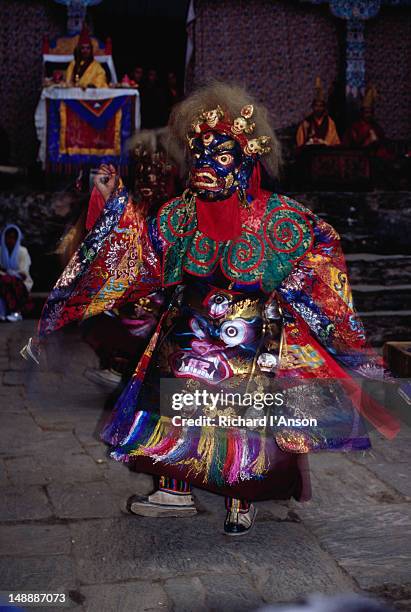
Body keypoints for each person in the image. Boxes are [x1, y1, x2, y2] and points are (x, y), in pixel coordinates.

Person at [28, 82, 398, 536]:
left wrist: (292, 296)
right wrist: (111, 201)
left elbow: (321, 248)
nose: (205, 166)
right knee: (174, 408)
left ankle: (240, 497)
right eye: (199, 155)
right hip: (184, 334)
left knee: (241, 418)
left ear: (245, 165)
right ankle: (174, 491)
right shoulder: (177, 215)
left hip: (247, 339)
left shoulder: (278, 217)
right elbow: (139, 255)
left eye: (220, 157)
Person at [344, 86, 392, 160]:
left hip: (375, 158)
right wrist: (366, 142)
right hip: (359, 158)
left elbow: (383, 142)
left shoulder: (376, 127)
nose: (368, 115)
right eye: (366, 112)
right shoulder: (355, 127)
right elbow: (350, 145)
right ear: (362, 113)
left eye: (370, 113)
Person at [0, 224, 33, 322]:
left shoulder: (23, 251)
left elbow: (23, 272)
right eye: (8, 237)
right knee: (4, 281)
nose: (10, 240)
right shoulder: (1, 251)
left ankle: (17, 312)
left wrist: (8, 273)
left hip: (21, 281)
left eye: (13, 237)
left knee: (9, 281)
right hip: (3, 280)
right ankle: (2, 312)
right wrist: (6, 274)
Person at [296, 77, 340, 148]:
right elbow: (300, 143)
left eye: (320, 106)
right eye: (316, 106)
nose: (318, 108)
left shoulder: (330, 122)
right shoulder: (306, 122)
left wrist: (323, 143)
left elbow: (334, 141)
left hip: (325, 153)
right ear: (312, 107)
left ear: (324, 107)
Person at [65, 24, 107, 89]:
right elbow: (68, 81)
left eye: (88, 48)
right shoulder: (73, 64)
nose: (85, 51)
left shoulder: (96, 66)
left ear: (91, 50)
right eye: (83, 48)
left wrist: (92, 85)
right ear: (79, 49)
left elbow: (101, 78)